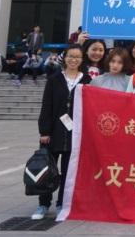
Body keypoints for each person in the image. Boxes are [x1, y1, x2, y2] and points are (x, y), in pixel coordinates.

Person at [33, 43, 91, 220]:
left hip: (75, 134)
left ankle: (61, 204)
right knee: (47, 170)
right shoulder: (54, 79)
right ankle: (43, 204)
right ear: (64, 58)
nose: (74, 60)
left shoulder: (87, 80)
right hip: (54, 132)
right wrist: (44, 131)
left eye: (77, 57)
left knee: (68, 171)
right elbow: (46, 106)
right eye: (70, 56)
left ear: (82, 59)